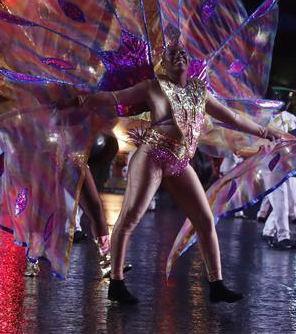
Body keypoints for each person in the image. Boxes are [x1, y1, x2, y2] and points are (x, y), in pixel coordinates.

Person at [76, 40, 283, 305]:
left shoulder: (199, 90)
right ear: (163, 63)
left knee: (205, 219)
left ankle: (216, 284)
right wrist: (81, 99)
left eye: (183, 53)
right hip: (152, 156)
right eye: (172, 54)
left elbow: (231, 117)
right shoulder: (153, 86)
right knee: (130, 217)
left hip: (180, 162)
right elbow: (116, 97)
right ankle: (116, 282)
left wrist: (265, 132)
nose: (179, 57)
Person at [261, 86, 296, 250]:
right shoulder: (264, 117)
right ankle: (283, 237)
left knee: (287, 201)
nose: (285, 104)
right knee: (280, 201)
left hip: (286, 164)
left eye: (287, 101)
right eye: (283, 100)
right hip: (270, 163)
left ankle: (268, 231)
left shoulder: (291, 118)